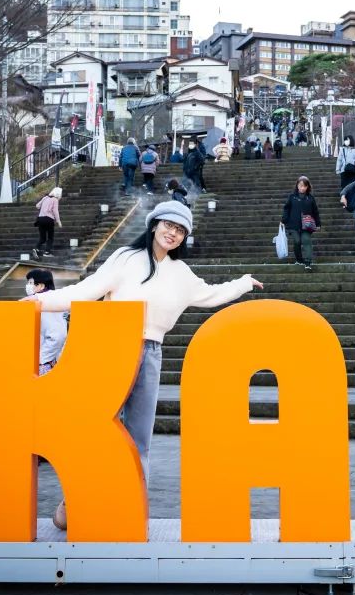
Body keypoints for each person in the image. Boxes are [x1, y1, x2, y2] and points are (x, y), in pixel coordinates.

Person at [25, 200, 263, 531]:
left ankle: (130, 505)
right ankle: (76, 499)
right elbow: (88, 290)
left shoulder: (181, 273)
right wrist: (42, 301)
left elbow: (211, 294)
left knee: (139, 437)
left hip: (151, 352)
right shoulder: (126, 258)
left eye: (180, 230)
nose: (173, 233)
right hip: (111, 346)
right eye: (169, 225)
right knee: (97, 431)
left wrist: (243, 283)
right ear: (154, 225)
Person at [25, 269, 67, 375]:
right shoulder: (42, 303)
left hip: (45, 363)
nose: (27, 286)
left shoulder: (47, 306)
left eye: (31, 283)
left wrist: (40, 359)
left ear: (41, 286)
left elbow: (57, 336)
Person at [281, 176, 322, 272]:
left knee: (306, 240)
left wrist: (318, 223)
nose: (302, 188)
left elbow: (315, 212)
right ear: (297, 186)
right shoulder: (292, 197)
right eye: (301, 185)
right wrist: (283, 220)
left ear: (308, 187)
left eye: (305, 186)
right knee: (297, 241)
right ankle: (299, 259)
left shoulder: (310, 198)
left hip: (307, 225)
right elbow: (286, 209)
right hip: (293, 225)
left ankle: (308, 262)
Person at [33, 187, 63, 259]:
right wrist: (58, 221)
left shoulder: (45, 198)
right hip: (49, 219)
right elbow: (55, 211)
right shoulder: (55, 200)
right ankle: (47, 252)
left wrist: (44, 207)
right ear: (58, 194)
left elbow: (37, 206)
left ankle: (36, 248)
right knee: (50, 237)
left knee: (42, 238)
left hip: (40, 219)